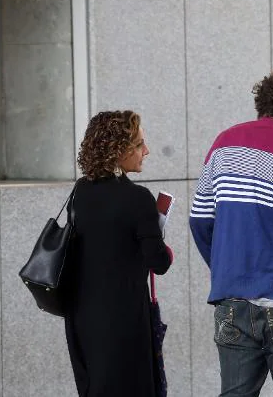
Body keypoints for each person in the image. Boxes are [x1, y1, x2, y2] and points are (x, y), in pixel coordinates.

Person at [189, 69, 273, 397]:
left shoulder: (223, 143)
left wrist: (227, 268)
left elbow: (199, 218)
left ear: (262, 105)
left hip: (232, 301)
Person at [64, 110, 173, 397]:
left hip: (81, 317)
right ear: (119, 150)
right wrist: (164, 247)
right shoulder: (138, 199)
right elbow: (158, 262)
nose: (146, 151)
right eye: (139, 145)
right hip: (124, 319)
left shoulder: (80, 192)